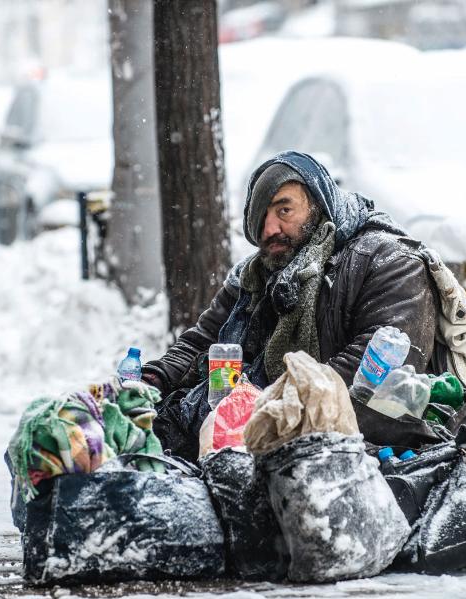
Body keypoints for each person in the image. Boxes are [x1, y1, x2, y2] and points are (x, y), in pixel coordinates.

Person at [142, 150, 439, 460]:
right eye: (261, 218)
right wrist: (150, 380)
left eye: (284, 210)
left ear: (319, 206)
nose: (270, 229)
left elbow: (382, 364)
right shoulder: (253, 276)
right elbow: (202, 341)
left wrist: (272, 406)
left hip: (356, 446)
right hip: (250, 436)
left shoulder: (386, 261)